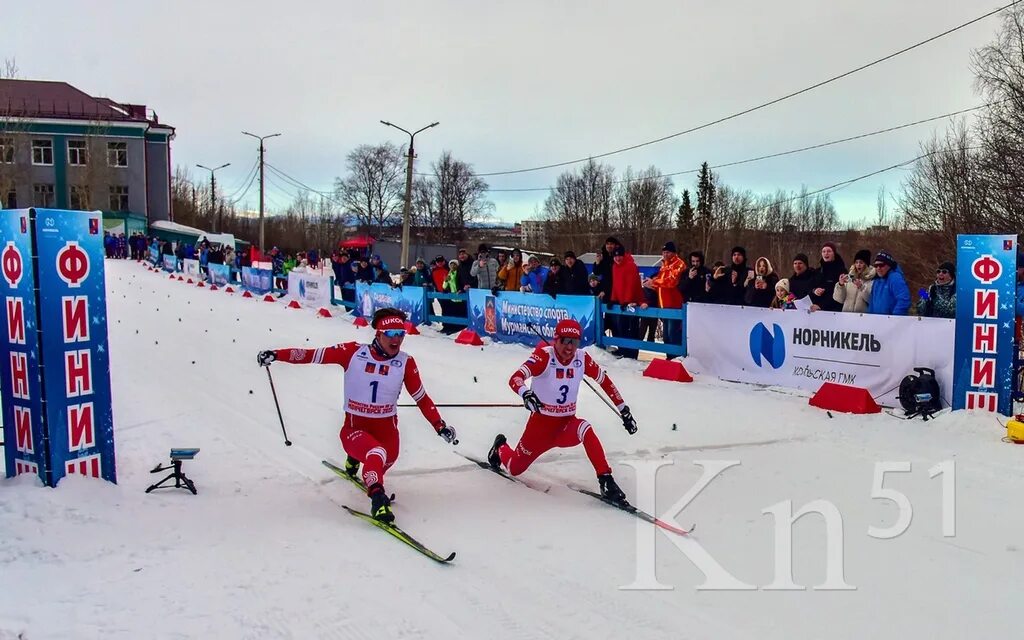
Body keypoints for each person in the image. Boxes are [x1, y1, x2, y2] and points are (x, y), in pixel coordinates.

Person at [256, 308, 457, 523]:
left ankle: (356, 459)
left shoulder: (405, 362)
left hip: (387, 429)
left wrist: (439, 425)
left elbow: (422, 398)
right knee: (376, 455)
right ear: (378, 334)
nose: (396, 339)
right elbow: (311, 355)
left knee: (385, 458)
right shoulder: (352, 352)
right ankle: (378, 501)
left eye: (401, 333)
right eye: (390, 333)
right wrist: (277, 354)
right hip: (355, 427)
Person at [486, 319, 638, 504]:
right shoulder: (543, 356)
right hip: (539, 430)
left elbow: (605, 382)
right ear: (555, 340)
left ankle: (606, 479)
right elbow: (516, 378)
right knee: (514, 468)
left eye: (574, 342)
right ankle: (500, 447)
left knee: (585, 429)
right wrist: (526, 394)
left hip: (565, 425)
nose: (569, 347)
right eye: (564, 341)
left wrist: (624, 410)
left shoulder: (582, 358)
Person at [868, 251, 911, 315]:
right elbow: (871, 302)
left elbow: (904, 299)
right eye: (876, 265)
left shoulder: (895, 278)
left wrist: (894, 318)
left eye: (881, 265)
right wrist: (869, 317)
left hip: (892, 322)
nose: (878, 268)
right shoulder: (876, 280)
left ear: (889, 265)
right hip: (877, 321)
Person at [811, 242, 846, 312]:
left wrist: (821, 306)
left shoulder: (841, 271)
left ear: (834, 253)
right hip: (815, 310)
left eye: (829, 251)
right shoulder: (818, 271)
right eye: (823, 251)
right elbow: (810, 288)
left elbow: (840, 295)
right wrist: (815, 291)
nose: (826, 253)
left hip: (834, 311)